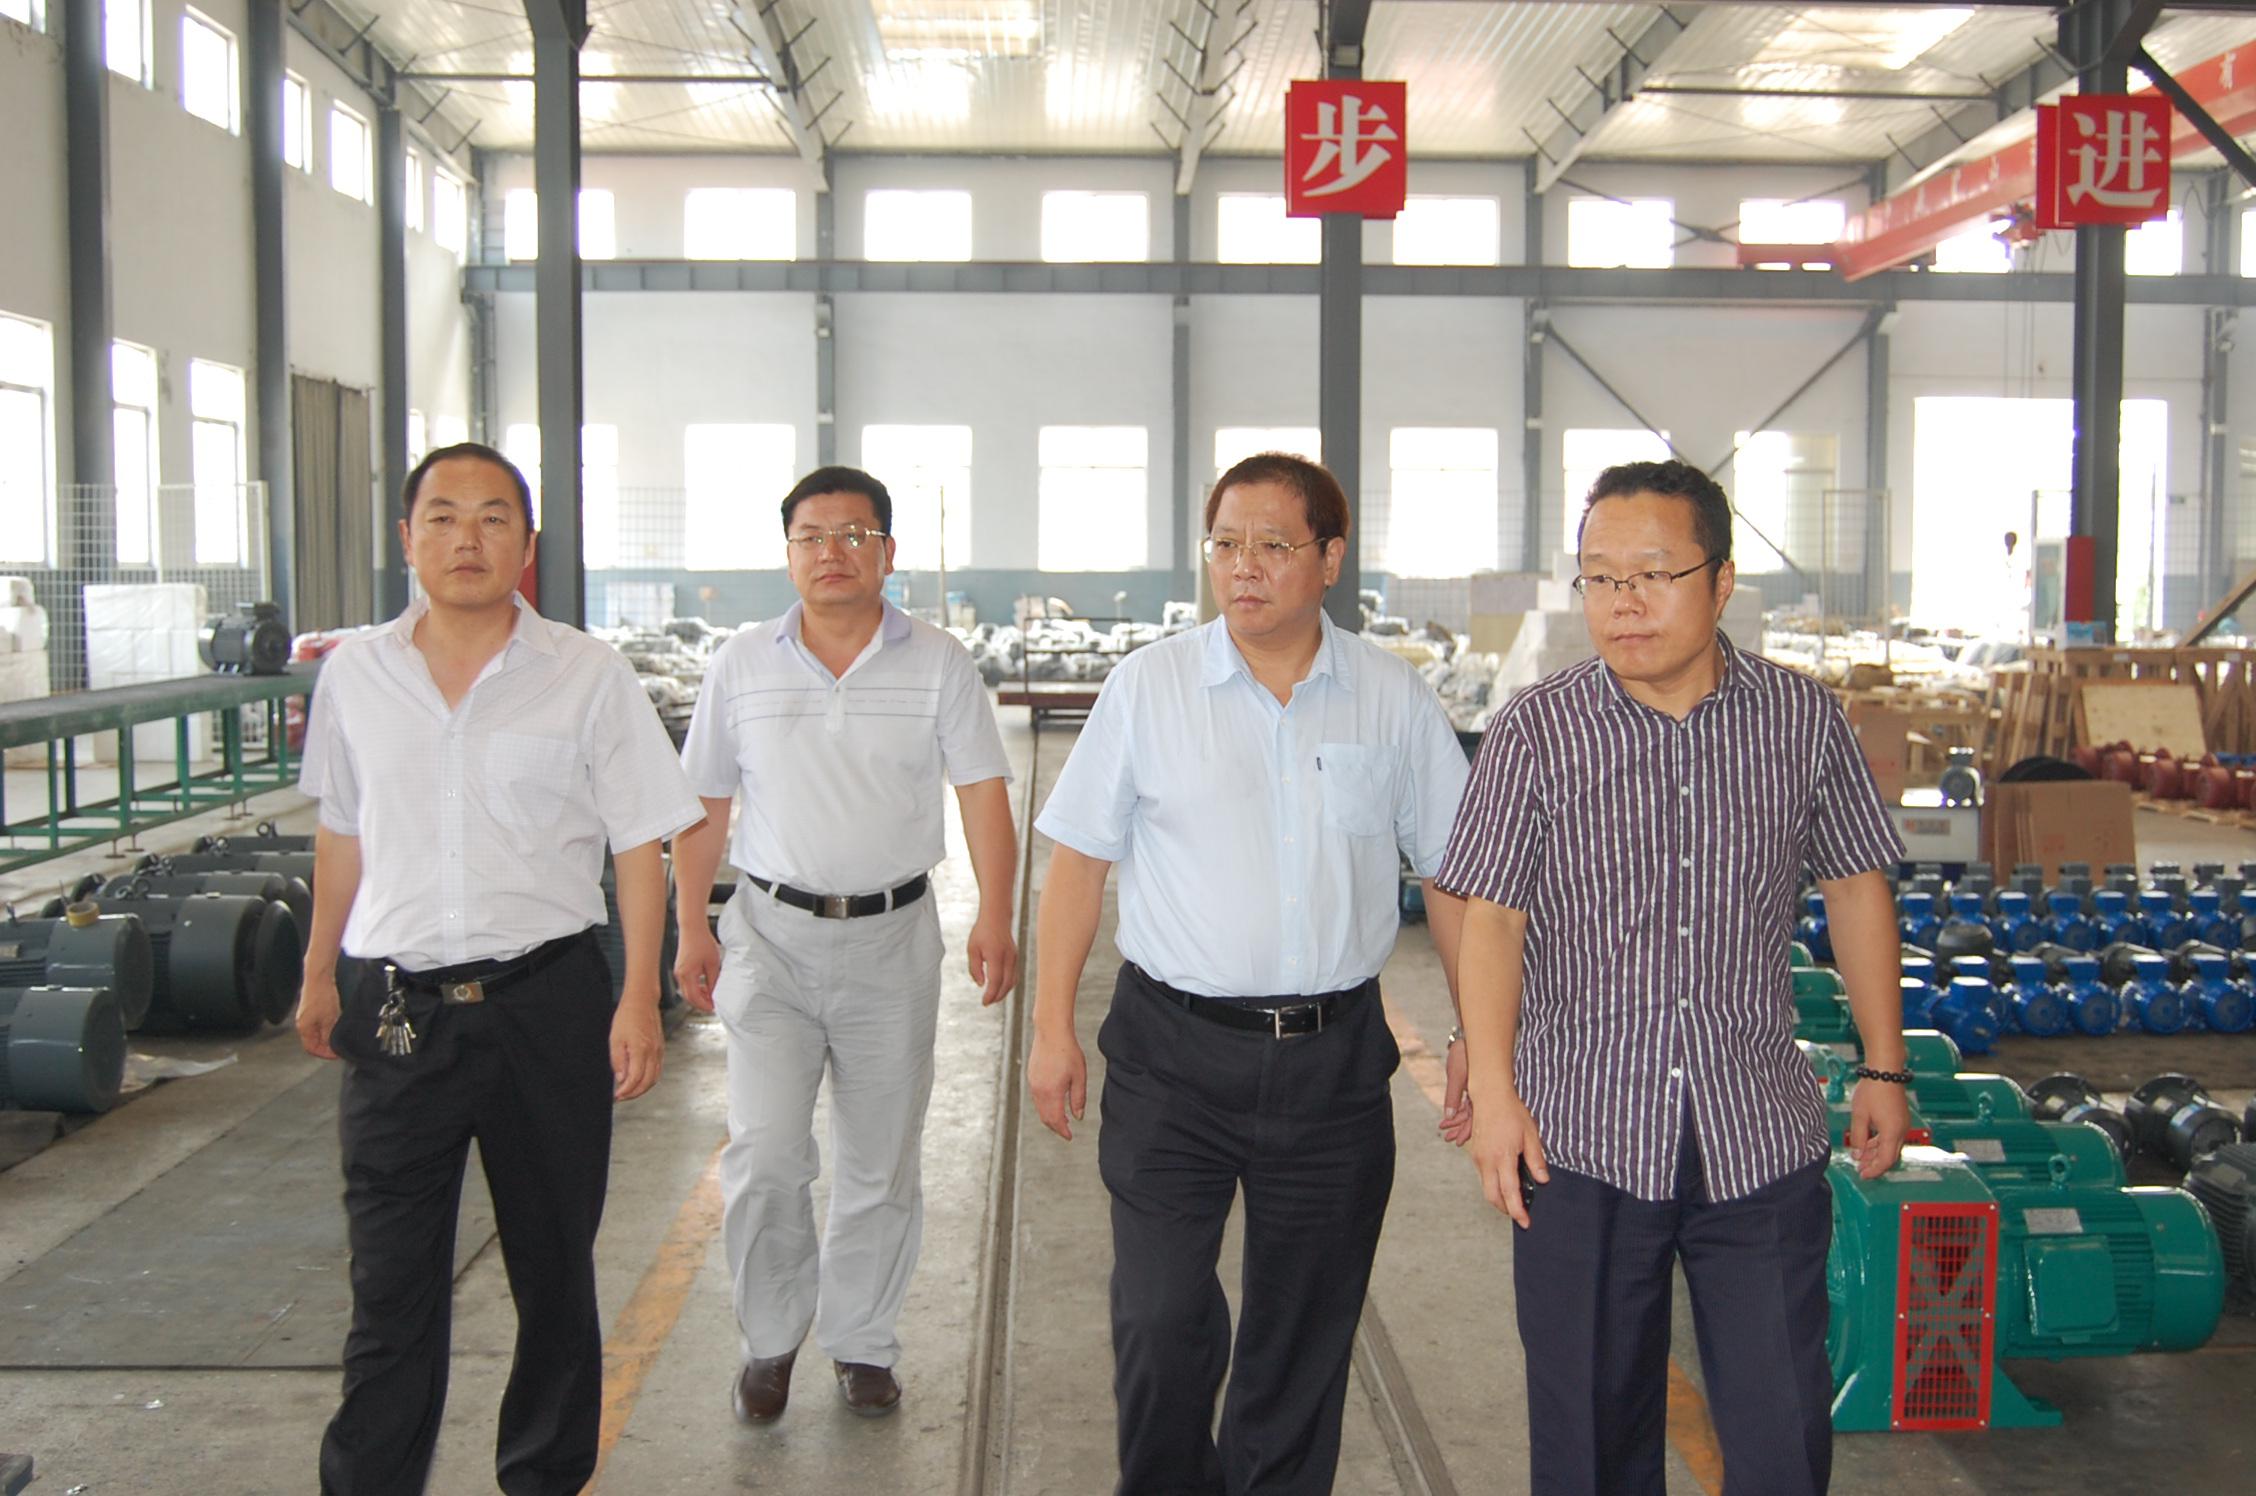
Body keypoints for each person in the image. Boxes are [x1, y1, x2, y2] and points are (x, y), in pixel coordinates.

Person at [1438, 459, 1910, 1496]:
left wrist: (1885, 1066)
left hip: (1756, 1134)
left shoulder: (1801, 721)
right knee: (1589, 1440)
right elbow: (1492, 917)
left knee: (1783, 1435)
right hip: (1581, 1140)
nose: (1623, 602)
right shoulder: (1537, 730)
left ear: (1722, 580)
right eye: (1600, 577)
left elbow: (1855, 886)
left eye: (1653, 573)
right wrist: (1498, 1097)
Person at [1028, 452, 1470, 1496]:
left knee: (1301, 1338)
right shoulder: (1150, 688)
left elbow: (1455, 878)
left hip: (1333, 1065)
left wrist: (1476, 1039)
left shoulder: (1391, 698)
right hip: (1172, 1060)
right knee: (1159, 1318)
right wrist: (1050, 1029)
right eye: (1226, 543)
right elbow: (1079, 863)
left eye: (1274, 544)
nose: (1244, 566)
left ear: (1330, 558)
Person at [294, 441, 704, 1495]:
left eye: (492, 518)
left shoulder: (585, 673)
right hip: (398, 1012)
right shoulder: (356, 674)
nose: (465, 538)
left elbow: (640, 842)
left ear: (527, 544)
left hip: (545, 1004)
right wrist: (318, 969)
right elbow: (342, 830)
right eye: (442, 516)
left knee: (553, 1271)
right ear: (407, 538)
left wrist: (639, 995)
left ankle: (543, 1477)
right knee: (390, 1286)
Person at [670, 465, 1017, 1423]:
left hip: (893, 941)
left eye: (854, 535)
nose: (833, 552)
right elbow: (704, 803)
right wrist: (690, 923)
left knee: (880, 1157)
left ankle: (862, 1341)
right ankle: (770, 1339)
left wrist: (996, 913)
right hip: (769, 941)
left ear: (887, 552)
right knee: (766, 1153)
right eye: (812, 536)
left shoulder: (938, 662)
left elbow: (982, 791)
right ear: (788, 553)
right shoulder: (741, 662)